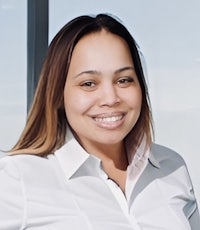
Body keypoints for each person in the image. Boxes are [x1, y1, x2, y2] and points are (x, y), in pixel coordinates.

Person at [0, 13, 199, 230]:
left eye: (123, 80)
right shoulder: (17, 178)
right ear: (58, 93)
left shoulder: (172, 167)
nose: (111, 98)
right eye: (88, 83)